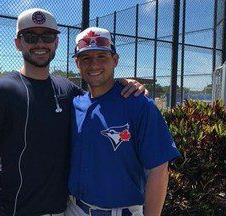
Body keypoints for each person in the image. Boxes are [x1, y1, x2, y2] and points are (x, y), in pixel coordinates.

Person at [0, 9, 146, 216]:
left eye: (48, 36)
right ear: (18, 43)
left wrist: (123, 83)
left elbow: (99, 94)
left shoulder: (68, 90)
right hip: (14, 211)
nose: (40, 44)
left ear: (56, 43)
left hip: (63, 210)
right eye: (31, 37)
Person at [67, 27, 181, 216]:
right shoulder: (75, 103)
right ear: (77, 64)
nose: (94, 64)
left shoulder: (139, 103)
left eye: (102, 57)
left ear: (115, 60)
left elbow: (159, 170)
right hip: (74, 208)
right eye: (86, 58)